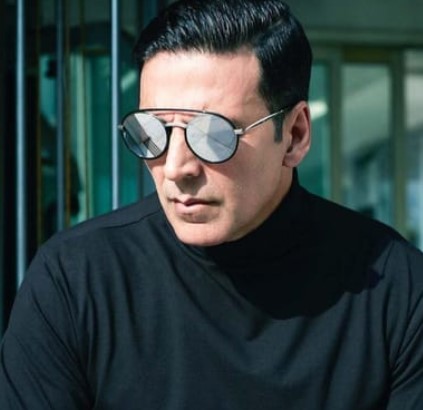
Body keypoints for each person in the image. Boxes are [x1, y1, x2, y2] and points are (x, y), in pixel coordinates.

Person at [1, 0, 423, 408]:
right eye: (152, 132)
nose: (175, 167)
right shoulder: (77, 280)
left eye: (213, 134)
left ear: (294, 135)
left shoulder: (397, 291)